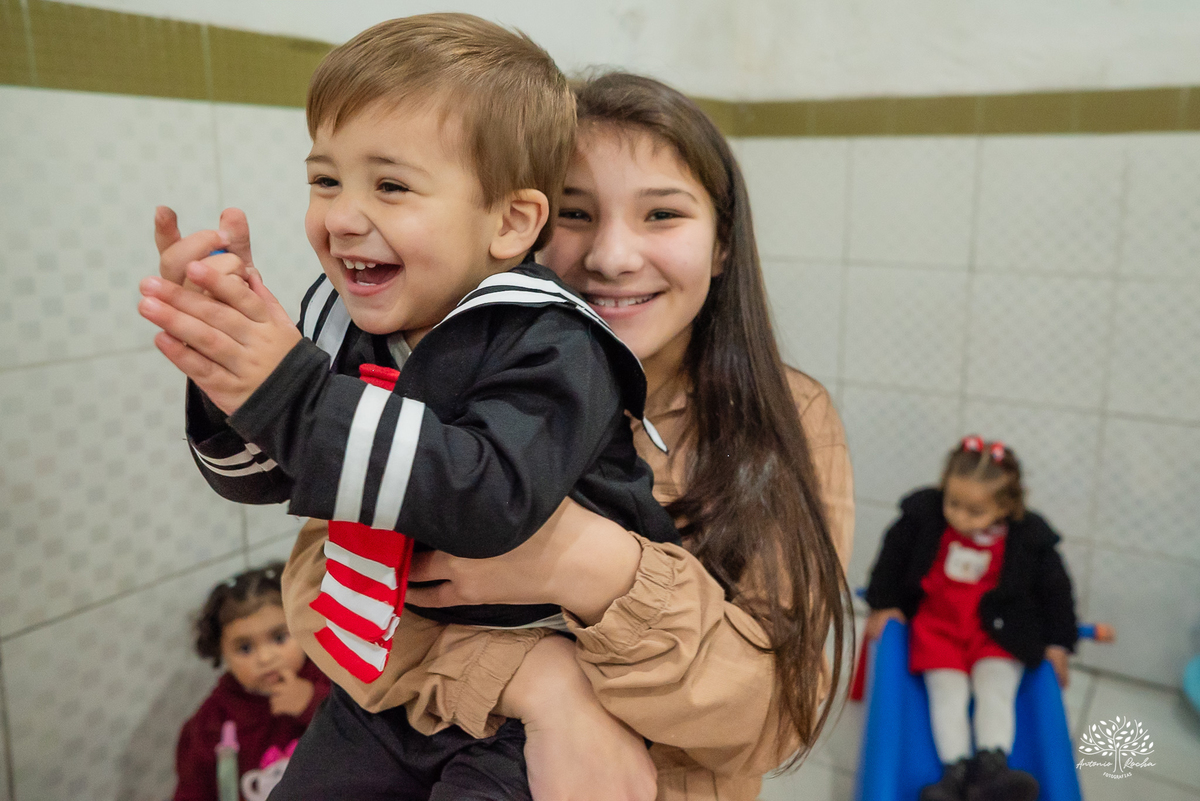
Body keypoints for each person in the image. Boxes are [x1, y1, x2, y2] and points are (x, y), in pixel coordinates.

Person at [139, 14, 679, 801]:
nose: (343, 216)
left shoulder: (556, 340)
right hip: (390, 678)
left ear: (510, 222)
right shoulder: (346, 318)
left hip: (536, 710)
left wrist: (288, 387)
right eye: (326, 179)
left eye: (390, 185)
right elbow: (266, 475)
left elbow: (487, 498)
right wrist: (229, 370)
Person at [282, 72, 855, 801]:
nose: (612, 257)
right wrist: (540, 685)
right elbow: (318, 589)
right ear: (514, 225)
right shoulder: (437, 362)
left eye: (662, 215)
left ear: (721, 245)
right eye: (575, 214)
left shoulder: (792, 417)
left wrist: (587, 563)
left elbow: (782, 711)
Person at [864, 436, 1079, 801]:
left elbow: (1056, 591)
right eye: (953, 503)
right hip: (939, 630)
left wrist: (1058, 642)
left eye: (974, 511)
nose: (960, 517)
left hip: (998, 633)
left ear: (1006, 506)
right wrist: (883, 604)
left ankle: (992, 768)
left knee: (995, 689)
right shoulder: (924, 519)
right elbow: (892, 560)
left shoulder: (1028, 538)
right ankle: (955, 770)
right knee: (947, 692)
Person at [173, 563, 330, 801]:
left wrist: (313, 704)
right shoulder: (211, 723)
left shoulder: (329, 678)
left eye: (279, 637)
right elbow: (194, 791)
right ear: (220, 651)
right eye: (245, 647)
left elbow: (368, 745)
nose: (266, 658)